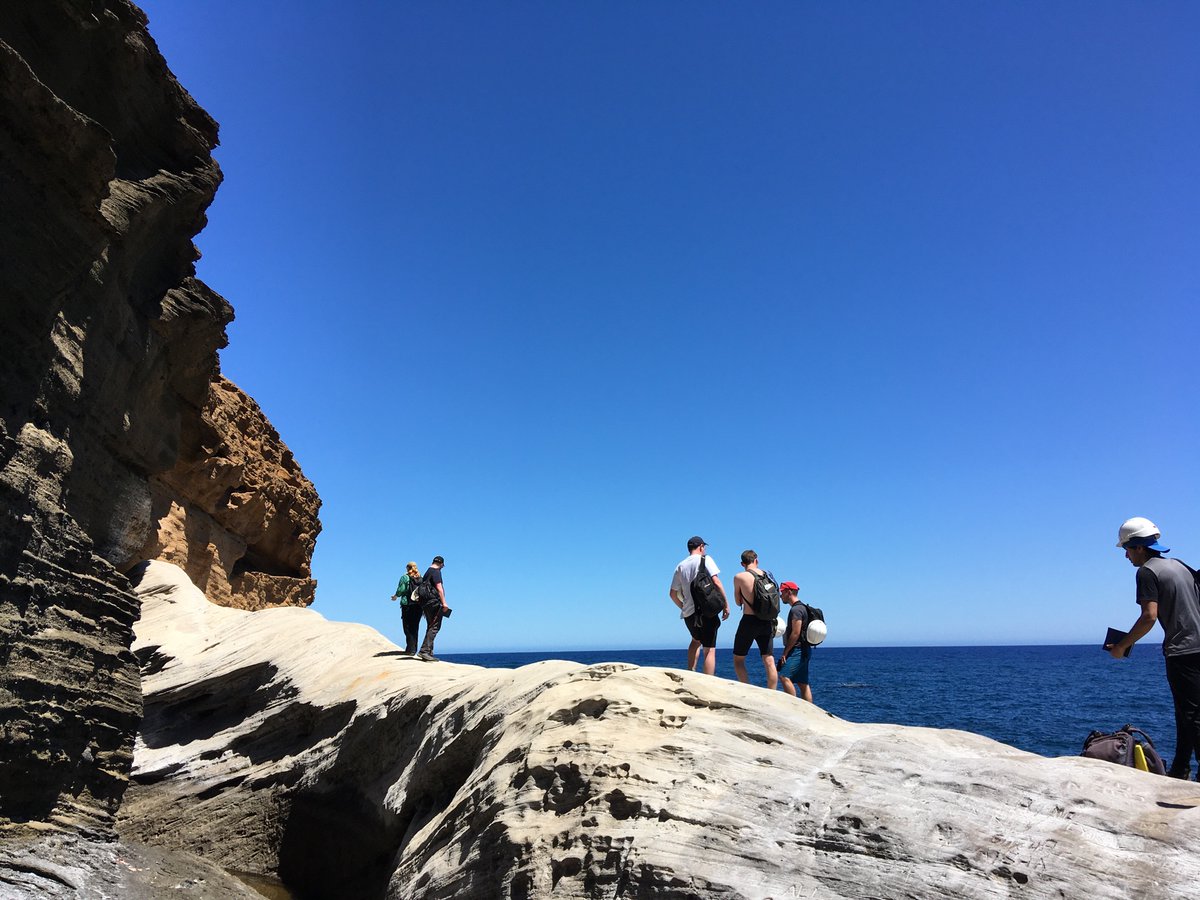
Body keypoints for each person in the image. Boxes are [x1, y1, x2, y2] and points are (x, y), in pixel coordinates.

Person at [1107, 517, 1200, 780]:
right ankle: (1180, 770)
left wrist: (1122, 646)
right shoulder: (1179, 566)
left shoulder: (1147, 572)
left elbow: (1149, 616)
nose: (1125, 555)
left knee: (1193, 715)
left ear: (1138, 547)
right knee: (1185, 713)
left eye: (1126, 549)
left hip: (1183, 651)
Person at [670, 536, 729, 675]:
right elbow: (717, 582)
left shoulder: (680, 566)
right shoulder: (705, 559)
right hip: (707, 611)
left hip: (689, 615)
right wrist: (726, 605)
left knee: (695, 640)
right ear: (701, 546)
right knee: (709, 649)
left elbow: (672, 594)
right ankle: (708, 682)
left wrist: (683, 607)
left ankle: (690, 672)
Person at [731, 550, 779, 690]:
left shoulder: (739, 577)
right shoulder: (767, 575)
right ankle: (773, 693)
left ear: (742, 563)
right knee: (769, 659)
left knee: (738, 659)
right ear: (756, 560)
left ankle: (748, 690)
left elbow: (738, 602)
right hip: (767, 621)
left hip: (749, 621)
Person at [777, 581, 813, 702]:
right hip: (805, 649)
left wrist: (785, 652)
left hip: (797, 650)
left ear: (789, 592)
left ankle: (793, 707)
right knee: (803, 683)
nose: (781, 595)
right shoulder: (804, 608)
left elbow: (795, 633)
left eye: (782, 592)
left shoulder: (796, 610)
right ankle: (810, 712)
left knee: (784, 676)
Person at [418, 555, 451, 661]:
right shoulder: (436, 572)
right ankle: (424, 651)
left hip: (425, 603)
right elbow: (439, 587)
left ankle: (429, 652)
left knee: (430, 625)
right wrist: (444, 603)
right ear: (441, 564)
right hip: (434, 602)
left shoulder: (427, 572)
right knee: (435, 626)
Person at [390, 561, 424, 655]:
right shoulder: (421, 578)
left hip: (407, 604)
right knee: (415, 627)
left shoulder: (405, 577)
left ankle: (410, 649)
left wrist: (395, 596)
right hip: (418, 605)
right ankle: (413, 649)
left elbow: (401, 589)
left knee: (407, 627)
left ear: (407, 568)